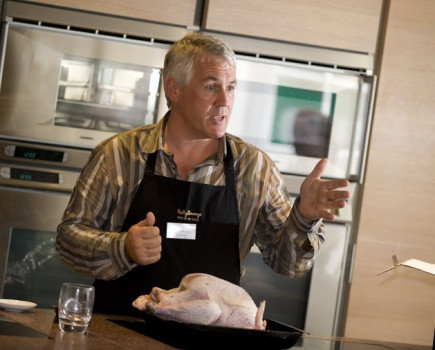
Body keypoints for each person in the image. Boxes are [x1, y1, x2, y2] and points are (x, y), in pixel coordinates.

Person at [56, 32, 350, 316]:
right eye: (211, 87)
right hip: (119, 332)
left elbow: (289, 265)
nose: (225, 100)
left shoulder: (255, 169)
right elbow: (68, 241)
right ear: (174, 89)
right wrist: (122, 248)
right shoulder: (117, 155)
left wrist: (304, 218)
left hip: (211, 339)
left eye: (231, 87)